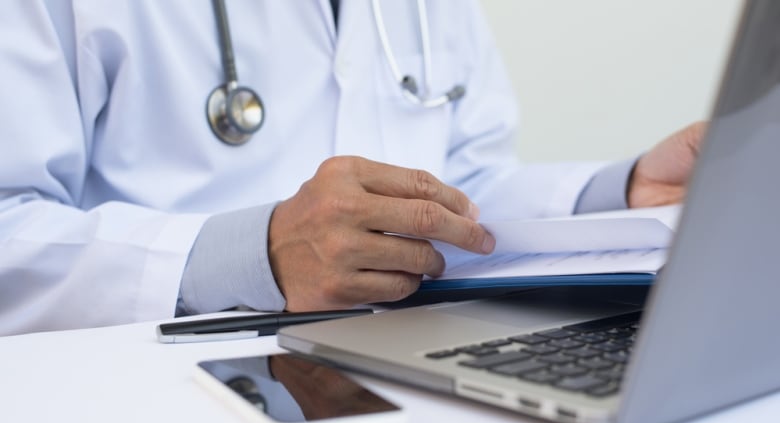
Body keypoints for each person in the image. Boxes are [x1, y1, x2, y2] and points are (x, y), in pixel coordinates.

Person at [0, 0, 704, 336]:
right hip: (153, 382)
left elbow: (465, 191)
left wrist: (623, 192)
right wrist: (254, 254)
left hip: (407, 359)